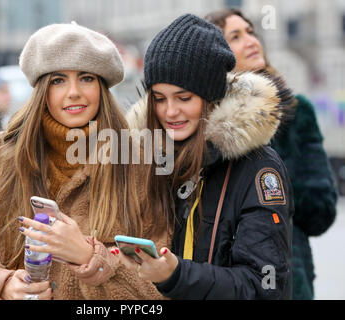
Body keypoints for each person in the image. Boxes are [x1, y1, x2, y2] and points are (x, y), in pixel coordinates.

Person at [0, 22, 171, 300]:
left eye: (86, 78)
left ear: (102, 88)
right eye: (58, 80)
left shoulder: (140, 164)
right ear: (41, 90)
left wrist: (90, 257)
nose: (74, 92)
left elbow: (156, 286)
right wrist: (0, 284)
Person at [123, 13, 294, 299]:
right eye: (159, 98)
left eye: (184, 98)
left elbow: (266, 285)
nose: (170, 112)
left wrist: (176, 275)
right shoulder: (150, 161)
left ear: (210, 96)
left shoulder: (260, 168)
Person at [205, 8, 338, 300]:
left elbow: (321, 212)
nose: (251, 41)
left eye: (251, 32)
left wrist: (274, 177)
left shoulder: (295, 111)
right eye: (235, 36)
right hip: (222, 280)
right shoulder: (203, 120)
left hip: (290, 280)